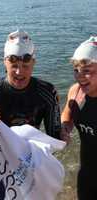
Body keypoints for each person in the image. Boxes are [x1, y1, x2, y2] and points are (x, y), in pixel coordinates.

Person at [0, 29, 62, 139]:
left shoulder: (48, 92)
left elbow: (55, 137)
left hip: (30, 153)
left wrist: (65, 134)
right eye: (14, 66)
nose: (19, 72)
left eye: (25, 66)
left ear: (33, 63)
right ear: (5, 62)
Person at [61, 36, 97, 200]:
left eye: (87, 71)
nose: (79, 76)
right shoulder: (75, 92)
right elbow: (68, 114)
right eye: (76, 70)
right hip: (87, 174)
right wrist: (65, 128)